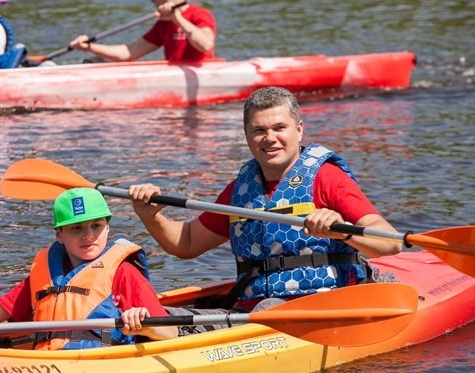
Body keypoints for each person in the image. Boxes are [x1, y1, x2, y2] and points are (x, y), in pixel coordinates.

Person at [128, 86, 402, 312]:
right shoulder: (241, 190)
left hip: (324, 304)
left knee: (268, 306)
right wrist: (150, 216)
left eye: (279, 127)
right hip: (255, 309)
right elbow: (186, 243)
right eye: (259, 130)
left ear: (299, 130)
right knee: (159, 313)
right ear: (247, 135)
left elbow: (389, 243)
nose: (270, 138)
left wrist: (343, 231)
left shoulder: (327, 179)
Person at [0, 188, 177, 349]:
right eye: (76, 228)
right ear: (59, 235)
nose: (88, 236)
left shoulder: (123, 273)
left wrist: (143, 324)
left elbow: (170, 333)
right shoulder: (47, 274)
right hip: (46, 363)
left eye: (96, 226)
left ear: (108, 228)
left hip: (100, 363)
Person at [69, 0, 216, 63]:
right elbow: (129, 52)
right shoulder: (163, 24)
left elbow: (206, 45)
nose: (152, 1)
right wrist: (89, 47)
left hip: (204, 74)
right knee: (94, 61)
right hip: (176, 76)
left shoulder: (200, 15)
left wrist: (177, 18)